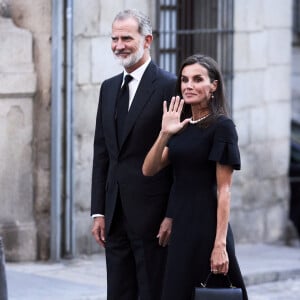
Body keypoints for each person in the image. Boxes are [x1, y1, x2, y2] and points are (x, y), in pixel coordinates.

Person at [142, 54, 248, 300]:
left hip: (207, 227)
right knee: (177, 292)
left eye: (198, 79)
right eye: (184, 79)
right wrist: (164, 133)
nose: (188, 85)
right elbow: (149, 169)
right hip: (181, 225)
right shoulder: (182, 126)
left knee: (211, 294)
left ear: (214, 86)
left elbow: (224, 190)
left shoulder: (222, 126)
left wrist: (220, 244)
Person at [90, 9, 177, 300]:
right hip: (115, 216)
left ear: (147, 39)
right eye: (114, 38)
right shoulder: (108, 88)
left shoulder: (169, 85)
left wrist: (171, 214)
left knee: (151, 293)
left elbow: (179, 157)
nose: (118, 45)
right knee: (118, 293)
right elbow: (102, 154)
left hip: (153, 218)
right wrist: (99, 211)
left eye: (126, 38)